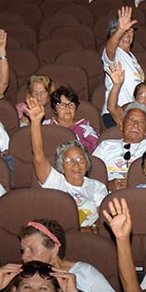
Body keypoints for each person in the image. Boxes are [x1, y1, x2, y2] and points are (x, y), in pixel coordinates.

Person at [17, 219, 126, 292]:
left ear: (54, 249)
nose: (24, 256)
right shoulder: (20, 276)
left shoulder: (82, 273)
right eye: (23, 250)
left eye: (32, 250)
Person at [26, 99, 108, 232]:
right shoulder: (55, 181)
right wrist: (35, 123)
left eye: (80, 160)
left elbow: (102, 220)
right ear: (61, 166)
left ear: (87, 164)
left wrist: (92, 229)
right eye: (69, 161)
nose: (76, 164)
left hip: (88, 237)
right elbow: (38, 157)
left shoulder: (97, 187)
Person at [91, 101, 146, 189]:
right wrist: (108, 185)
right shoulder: (106, 145)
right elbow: (92, 174)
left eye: (141, 122)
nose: (135, 125)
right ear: (121, 125)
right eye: (130, 120)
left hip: (143, 193)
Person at [101, 7, 145, 127]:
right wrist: (121, 29)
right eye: (123, 31)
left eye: (130, 30)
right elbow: (110, 49)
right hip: (116, 112)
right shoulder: (115, 54)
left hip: (134, 112)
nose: (127, 34)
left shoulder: (132, 57)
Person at [44, 86, 99, 152]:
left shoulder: (84, 128)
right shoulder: (47, 125)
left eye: (71, 105)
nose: (67, 108)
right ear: (54, 109)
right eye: (62, 105)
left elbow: (96, 148)